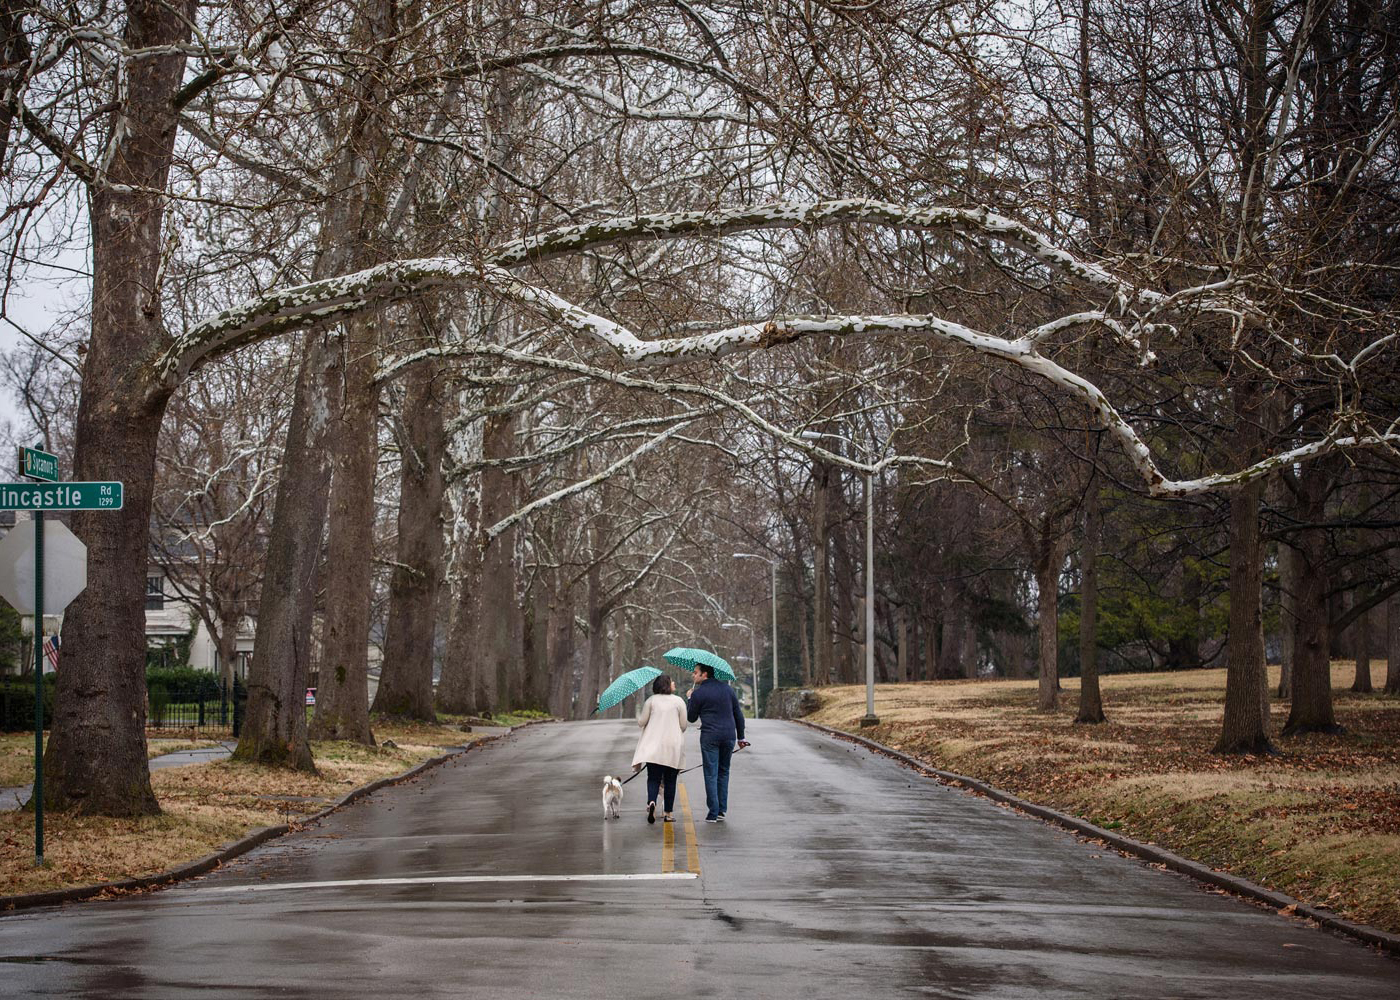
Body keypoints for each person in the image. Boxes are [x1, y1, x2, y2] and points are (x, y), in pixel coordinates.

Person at [686, 664, 750, 822]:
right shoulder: (728, 690)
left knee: (710, 773)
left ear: (705, 674)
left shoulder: (698, 694)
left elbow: (691, 717)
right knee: (723, 772)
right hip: (729, 736)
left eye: (695, 673)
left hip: (710, 737)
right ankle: (721, 810)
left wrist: (690, 699)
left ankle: (713, 812)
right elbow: (738, 715)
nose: (693, 675)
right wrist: (741, 737)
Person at [631, 674, 688, 824]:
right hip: (672, 747)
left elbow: (641, 722)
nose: (674, 683)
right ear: (666, 685)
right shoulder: (679, 701)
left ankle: (651, 802)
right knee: (670, 781)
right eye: (672, 681)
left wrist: (638, 714)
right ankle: (668, 813)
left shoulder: (651, 701)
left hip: (653, 747)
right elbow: (683, 725)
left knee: (653, 778)